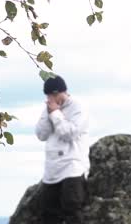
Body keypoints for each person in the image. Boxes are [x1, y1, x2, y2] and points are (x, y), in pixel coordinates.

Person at [35, 75, 90, 224]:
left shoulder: (78, 108)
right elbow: (41, 134)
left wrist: (55, 114)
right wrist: (49, 113)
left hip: (73, 166)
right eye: (48, 96)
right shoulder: (49, 108)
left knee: (72, 208)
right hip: (52, 169)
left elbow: (69, 133)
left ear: (63, 92)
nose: (52, 98)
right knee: (48, 213)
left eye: (54, 95)